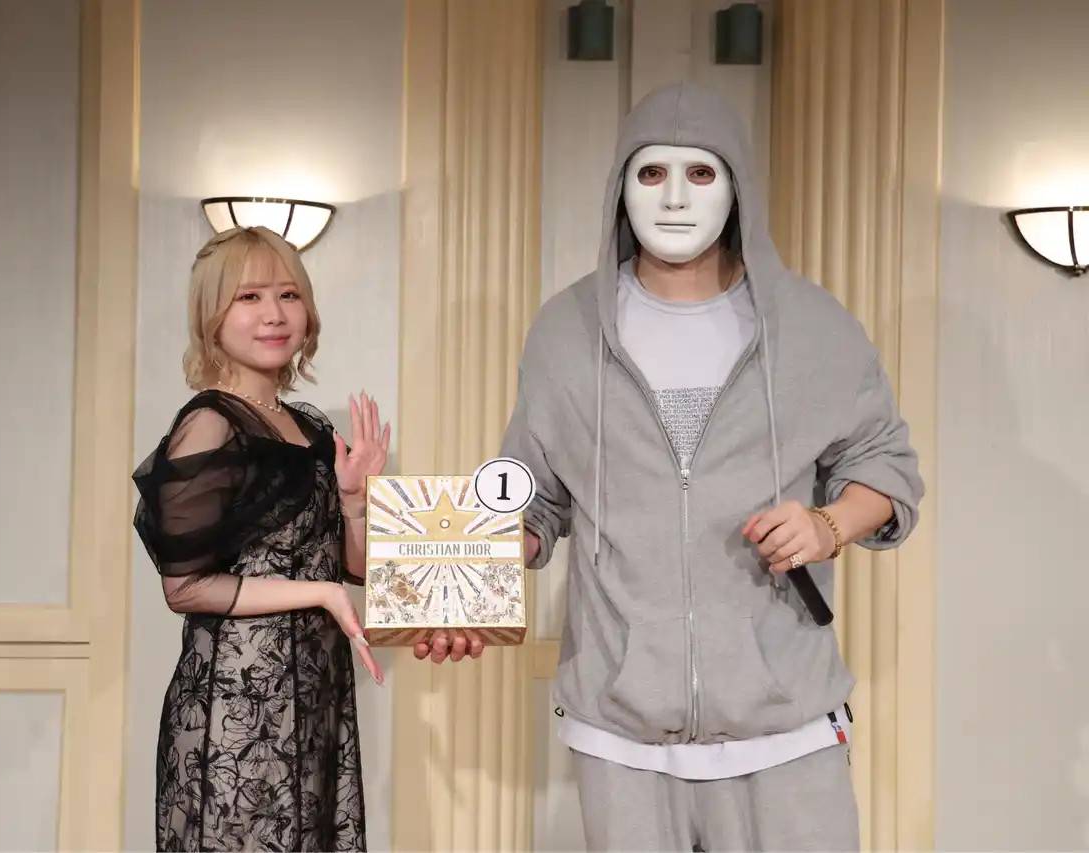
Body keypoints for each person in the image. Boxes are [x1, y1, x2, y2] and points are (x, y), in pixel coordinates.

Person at [418, 81, 924, 852]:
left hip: (786, 724)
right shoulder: (566, 330)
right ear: (621, 188)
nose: (676, 198)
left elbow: (884, 463)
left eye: (701, 173)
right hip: (621, 734)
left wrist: (827, 524)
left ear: (736, 185)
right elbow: (533, 498)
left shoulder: (813, 325)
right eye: (652, 173)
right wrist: (461, 585)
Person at [132, 225, 390, 852]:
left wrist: (355, 500)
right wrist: (321, 593)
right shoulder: (210, 423)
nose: (274, 314)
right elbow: (186, 588)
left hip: (315, 695)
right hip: (237, 706)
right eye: (248, 297)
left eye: (288, 294)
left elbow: (352, 568)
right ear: (212, 316)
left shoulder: (308, 427)